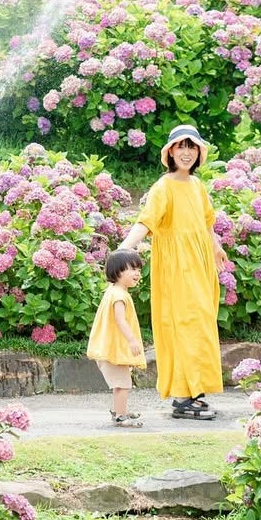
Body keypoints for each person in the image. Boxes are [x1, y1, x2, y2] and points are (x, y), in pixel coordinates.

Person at [118, 124, 226, 420]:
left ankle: (195, 392)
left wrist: (215, 247)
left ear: (198, 152)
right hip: (177, 268)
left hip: (200, 266)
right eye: (181, 146)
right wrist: (125, 248)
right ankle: (181, 397)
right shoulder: (163, 187)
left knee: (201, 325)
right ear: (170, 152)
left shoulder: (197, 186)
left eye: (191, 147)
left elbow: (207, 223)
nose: (187, 152)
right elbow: (146, 222)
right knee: (183, 326)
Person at [86, 249, 148, 428]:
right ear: (117, 271)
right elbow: (120, 320)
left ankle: (120, 411)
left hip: (110, 348)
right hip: (113, 349)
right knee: (123, 384)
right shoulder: (119, 296)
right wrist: (132, 340)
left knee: (120, 384)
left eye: (138, 269)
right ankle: (121, 417)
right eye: (132, 269)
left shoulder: (113, 291)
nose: (137, 273)